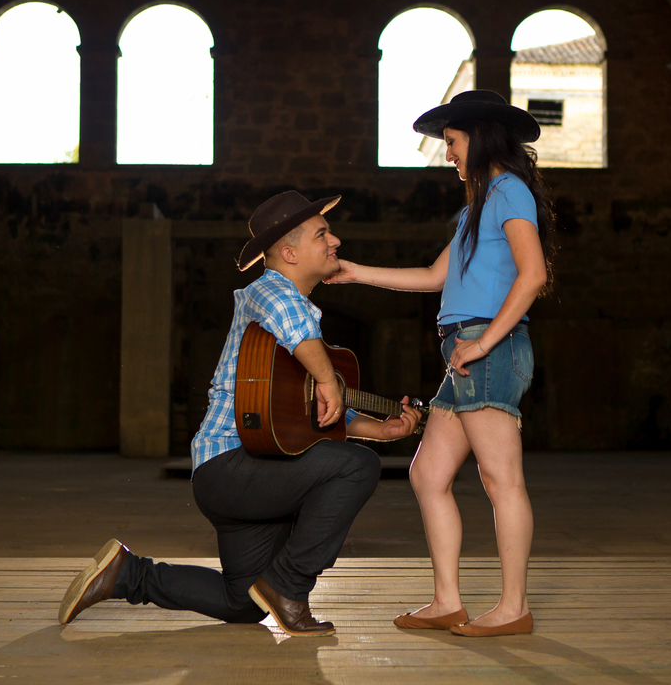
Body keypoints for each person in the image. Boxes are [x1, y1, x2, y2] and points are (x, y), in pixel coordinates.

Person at [58, 191, 421, 636]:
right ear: (288, 253)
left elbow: (316, 418)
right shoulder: (267, 293)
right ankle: (290, 586)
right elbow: (295, 329)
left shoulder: (305, 334)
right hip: (231, 466)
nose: (337, 241)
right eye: (323, 234)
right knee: (356, 468)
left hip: (257, 473)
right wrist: (329, 380)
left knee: (243, 602)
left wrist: (384, 429)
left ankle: (126, 575)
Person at [325, 90, 554, 637]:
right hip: (464, 351)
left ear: (478, 137)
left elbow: (534, 274)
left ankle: (514, 608)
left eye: (451, 143)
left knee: (502, 481)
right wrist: (355, 272)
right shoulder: (475, 207)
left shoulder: (509, 192)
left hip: (486, 348)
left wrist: (483, 342)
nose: (448, 154)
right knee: (428, 473)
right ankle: (447, 601)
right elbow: (434, 277)